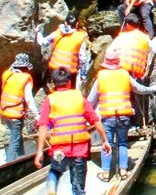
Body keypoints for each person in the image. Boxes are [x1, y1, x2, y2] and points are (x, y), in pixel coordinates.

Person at [34, 67, 111, 195]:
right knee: (78, 185)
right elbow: (95, 120)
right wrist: (105, 140)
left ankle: (52, 186)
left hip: (59, 147)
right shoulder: (78, 97)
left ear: (54, 84)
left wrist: (39, 152)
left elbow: (42, 126)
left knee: (56, 170)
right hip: (79, 148)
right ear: (69, 82)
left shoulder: (50, 100)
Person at [87, 49, 156, 182]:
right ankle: (123, 171)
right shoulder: (125, 75)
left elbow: (90, 101)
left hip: (107, 117)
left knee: (107, 143)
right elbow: (139, 89)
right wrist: (152, 89)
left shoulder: (100, 77)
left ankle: (105, 173)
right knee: (122, 143)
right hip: (123, 117)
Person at [0, 53, 39, 161]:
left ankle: (21, 157)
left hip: (4, 113)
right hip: (15, 115)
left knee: (17, 136)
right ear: (26, 67)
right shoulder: (24, 79)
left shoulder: (8, 75)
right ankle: (9, 165)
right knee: (14, 142)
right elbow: (29, 99)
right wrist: (36, 115)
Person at [35, 13, 90, 90]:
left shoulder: (57, 33)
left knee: (55, 88)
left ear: (65, 23)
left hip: (55, 68)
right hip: (69, 71)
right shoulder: (80, 38)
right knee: (67, 89)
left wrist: (38, 32)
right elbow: (83, 59)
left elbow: (43, 42)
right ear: (77, 24)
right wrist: (83, 75)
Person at [109, 14, 151, 80]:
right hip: (135, 74)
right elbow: (153, 49)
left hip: (119, 70)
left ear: (127, 25)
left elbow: (109, 51)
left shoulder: (121, 37)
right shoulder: (145, 38)